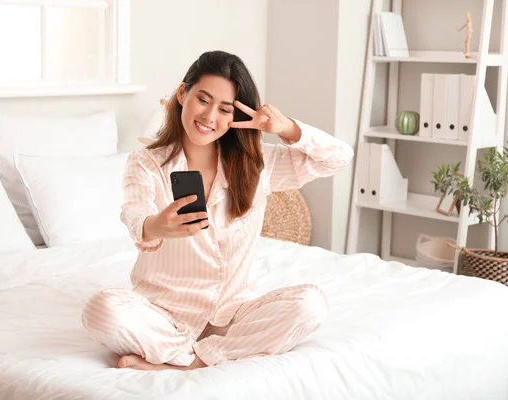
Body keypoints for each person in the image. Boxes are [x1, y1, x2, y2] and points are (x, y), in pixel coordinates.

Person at [82, 50, 354, 371]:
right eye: (203, 100)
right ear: (183, 94)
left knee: (311, 305)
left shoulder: (256, 165)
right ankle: (199, 354)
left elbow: (338, 157)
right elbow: (134, 214)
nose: (210, 117)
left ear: (236, 117)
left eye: (224, 109)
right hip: (164, 313)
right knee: (101, 310)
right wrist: (156, 226)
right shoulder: (147, 162)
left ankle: (188, 361)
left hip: (232, 314)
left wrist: (285, 128)